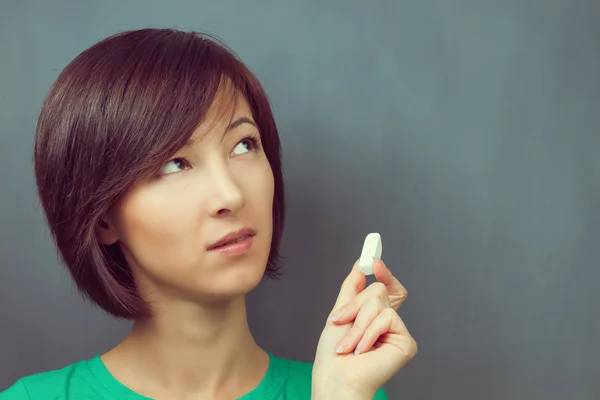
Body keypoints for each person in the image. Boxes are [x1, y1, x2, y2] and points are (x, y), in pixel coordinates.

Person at [0, 28, 417, 400]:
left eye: (243, 145)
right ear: (104, 219)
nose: (230, 195)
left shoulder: (345, 388)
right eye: (175, 164)